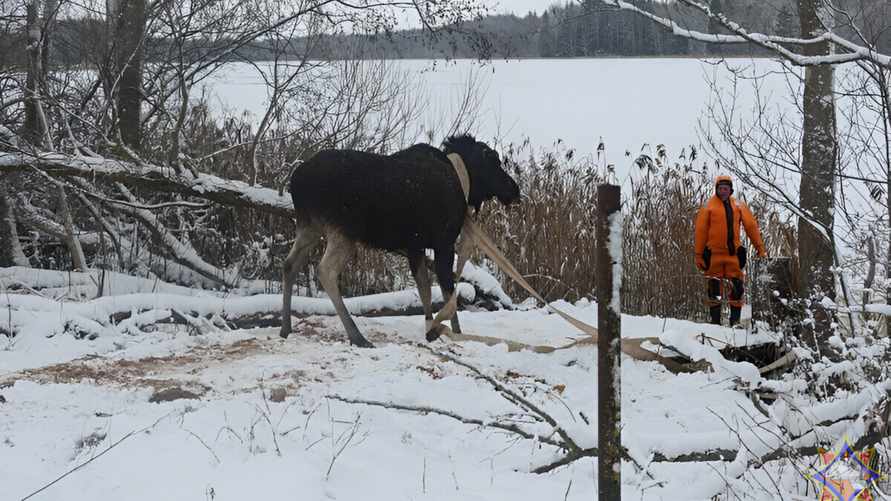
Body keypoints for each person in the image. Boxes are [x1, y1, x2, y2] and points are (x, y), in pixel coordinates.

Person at [694, 175, 767, 326]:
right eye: (720, 189)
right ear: (716, 189)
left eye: (726, 189)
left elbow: (751, 227)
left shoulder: (739, 206)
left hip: (733, 256)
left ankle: (735, 322)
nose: (723, 192)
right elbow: (700, 231)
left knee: (737, 287)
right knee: (714, 288)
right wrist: (699, 255)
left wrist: (760, 248)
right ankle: (715, 323)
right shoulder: (708, 206)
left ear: (731, 189)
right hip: (714, 255)